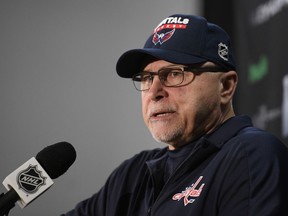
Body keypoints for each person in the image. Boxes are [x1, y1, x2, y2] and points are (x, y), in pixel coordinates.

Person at [62, 14, 288, 216]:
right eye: (147, 78)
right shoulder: (132, 174)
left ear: (226, 86)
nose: (154, 92)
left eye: (173, 74)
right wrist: (24, 191)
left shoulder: (250, 154)